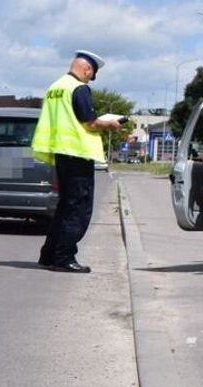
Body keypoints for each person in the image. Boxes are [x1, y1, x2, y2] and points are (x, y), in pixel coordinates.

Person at [32, 50, 121, 273]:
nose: (90, 79)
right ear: (87, 69)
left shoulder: (55, 87)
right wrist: (109, 123)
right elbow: (89, 123)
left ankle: (49, 254)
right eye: (92, 75)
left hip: (61, 153)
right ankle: (64, 258)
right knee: (78, 209)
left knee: (64, 207)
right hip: (78, 154)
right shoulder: (78, 88)